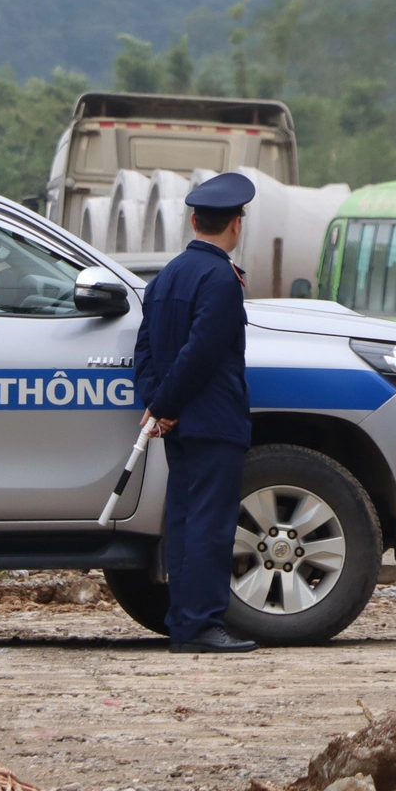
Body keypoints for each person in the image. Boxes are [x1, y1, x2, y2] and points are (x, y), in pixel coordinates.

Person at [132, 171, 259, 655]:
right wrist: (166, 404)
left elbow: (144, 351)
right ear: (235, 225)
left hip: (179, 423)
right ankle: (202, 624)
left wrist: (158, 404)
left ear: (192, 220)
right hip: (212, 421)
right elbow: (202, 353)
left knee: (185, 522)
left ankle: (184, 623)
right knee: (210, 525)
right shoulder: (220, 280)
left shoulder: (166, 278)